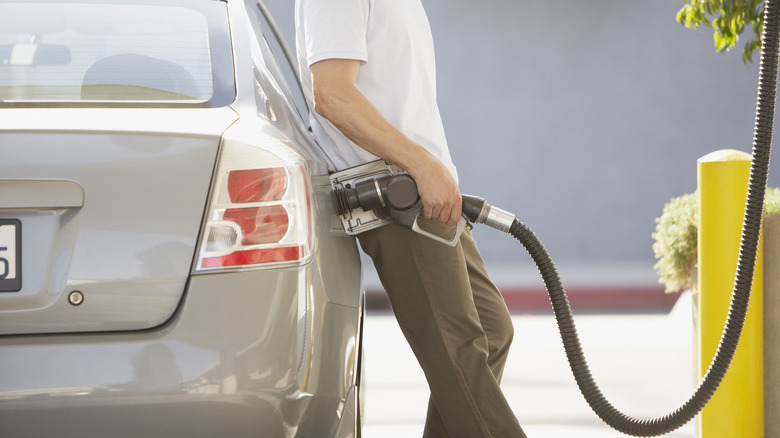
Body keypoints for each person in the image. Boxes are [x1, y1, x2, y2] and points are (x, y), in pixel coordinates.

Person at [294, 1, 527, 436]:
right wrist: (420, 165)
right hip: (396, 196)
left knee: (491, 330)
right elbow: (332, 94)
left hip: (427, 190)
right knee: (458, 352)